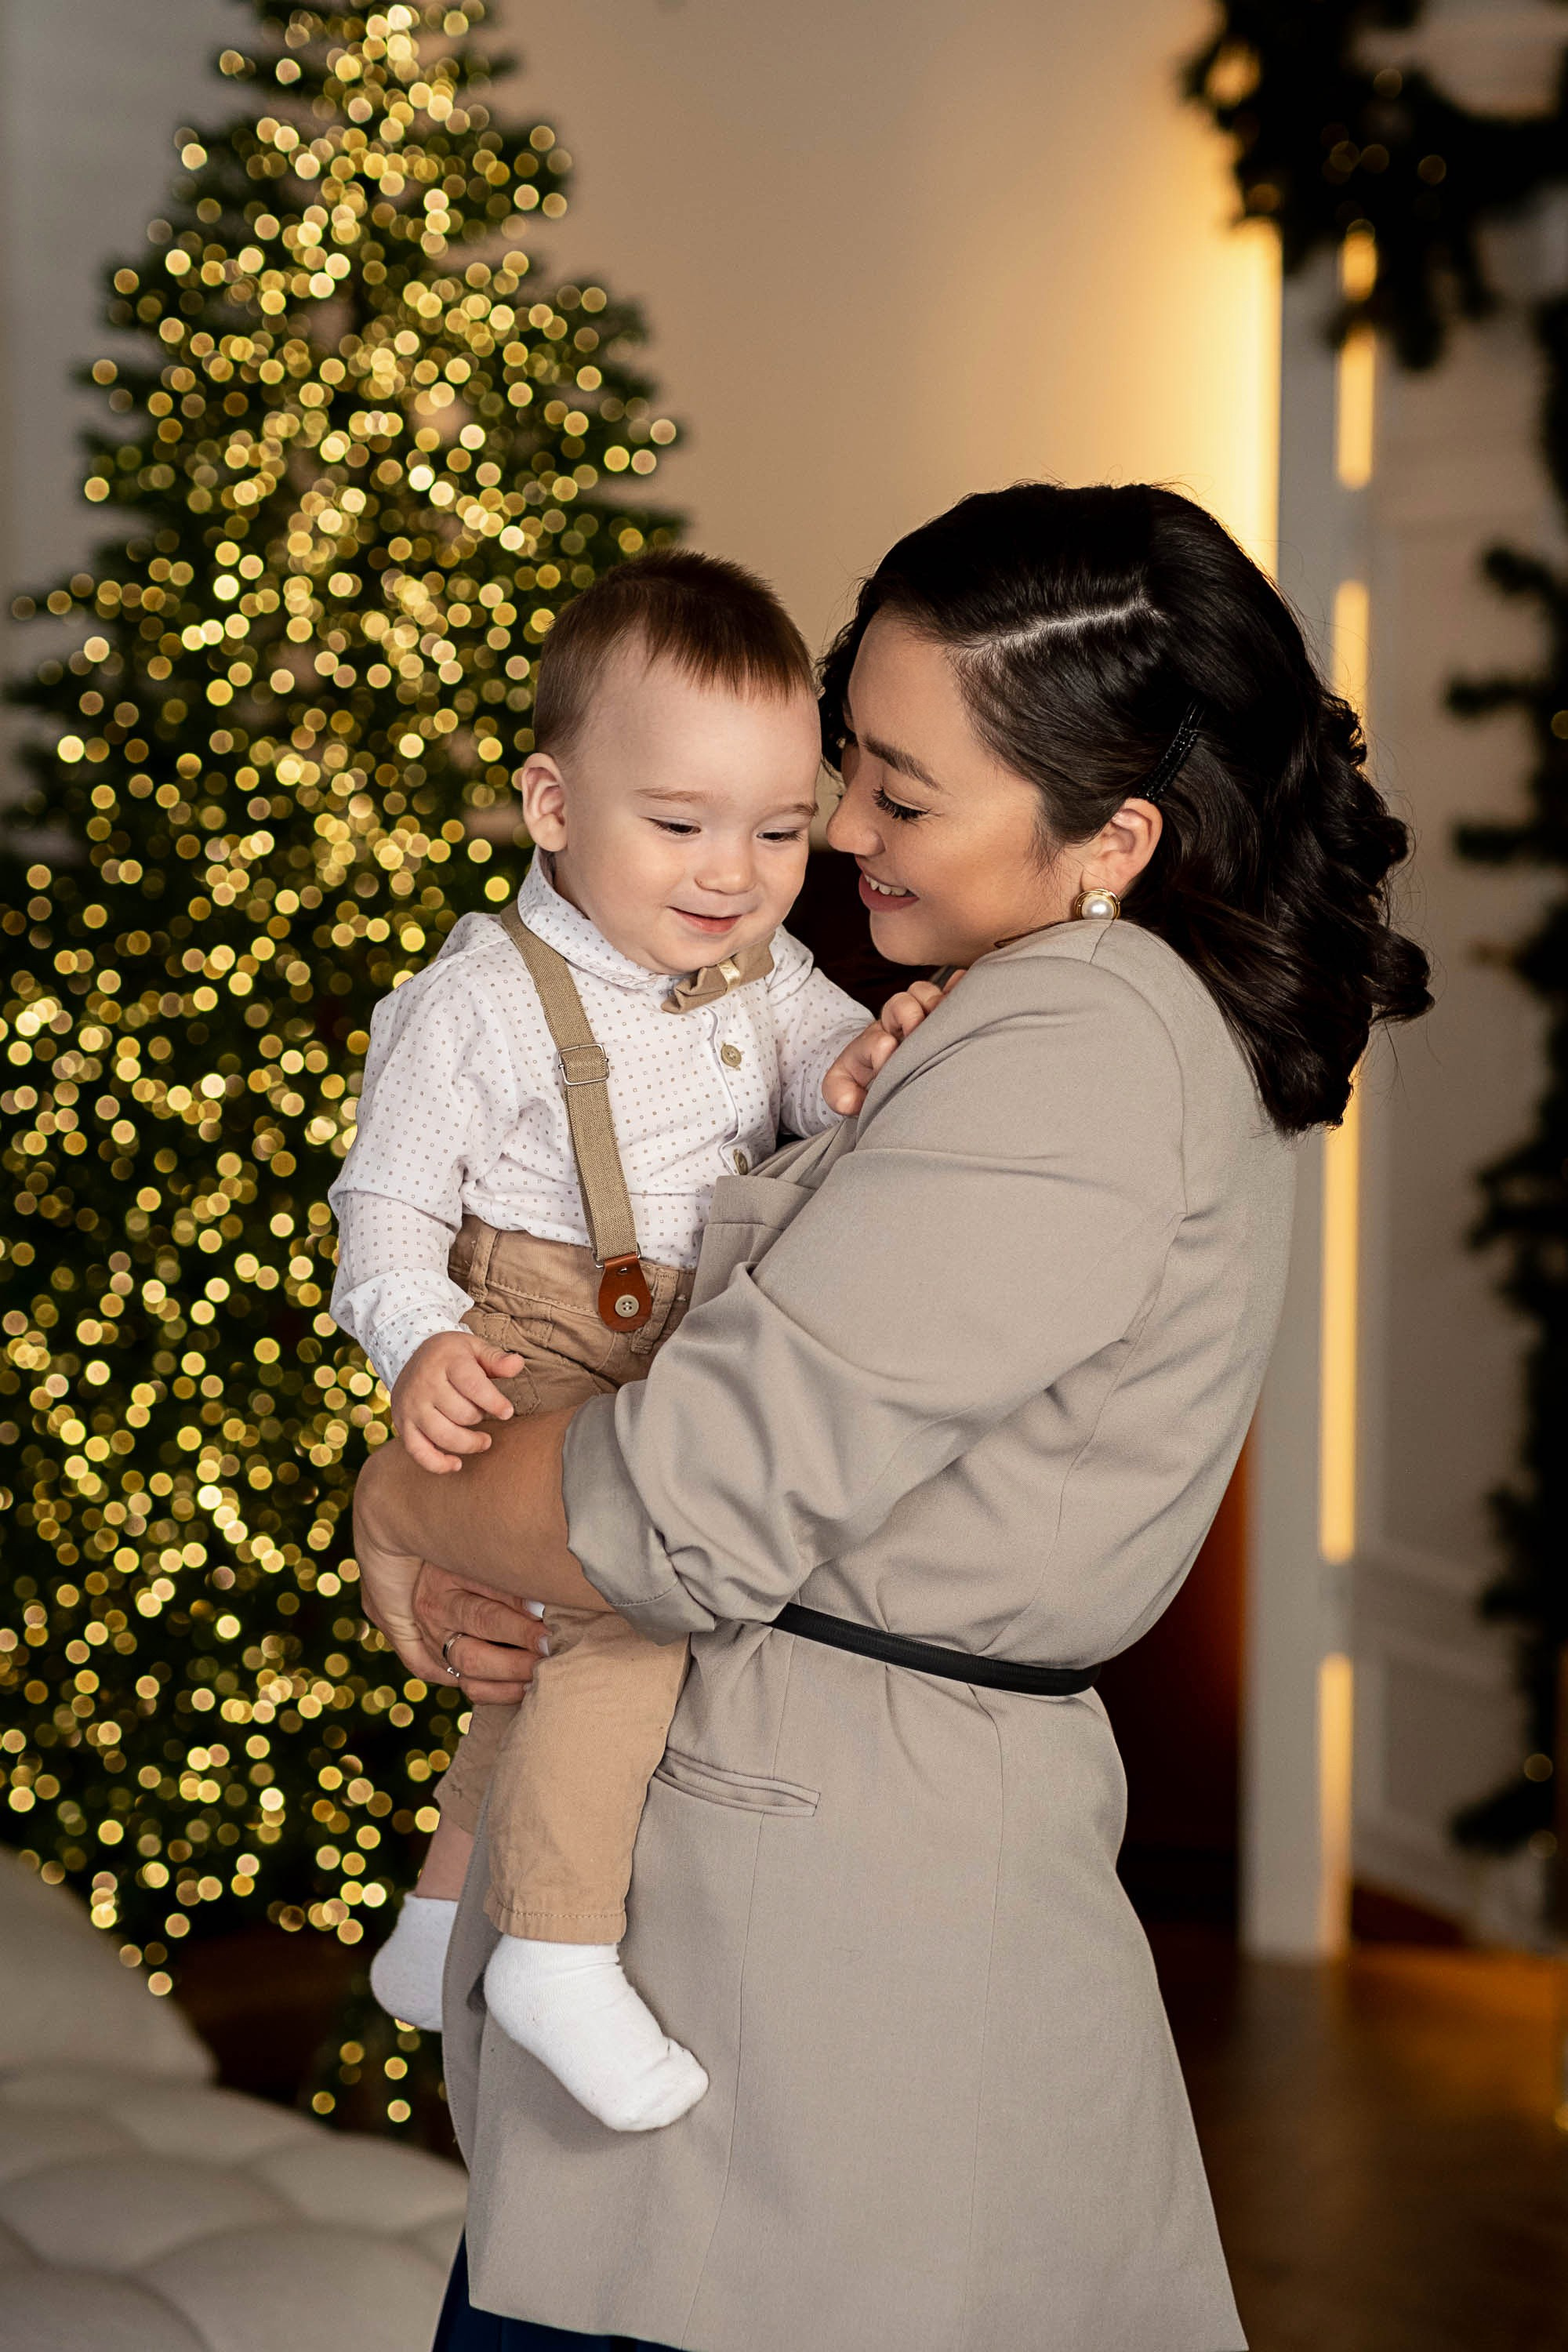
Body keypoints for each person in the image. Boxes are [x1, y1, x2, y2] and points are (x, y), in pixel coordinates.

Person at [352, 483, 1432, 2352]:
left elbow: (673, 1507)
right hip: (791, 1866)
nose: (836, 827)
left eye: (894, 792)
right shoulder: (1002, 1012)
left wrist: (407, 1502)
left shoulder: (1080, 1048)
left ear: (1110, 833)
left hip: (827, 1943)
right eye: (851, 761)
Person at [330, 551, 938, 2131]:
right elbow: (385, 1201)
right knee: (621, 1611)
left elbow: (816, 1097)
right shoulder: (475, 1003)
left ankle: (442, 1910)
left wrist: (870, 1060)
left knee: (540, 1656)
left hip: (676, 1337)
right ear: (551, 805)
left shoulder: (765, 972)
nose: (731, 871)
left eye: (780, 827)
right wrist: (415, 1343)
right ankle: (551, 1944)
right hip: (530, 1329)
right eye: (676, 825)